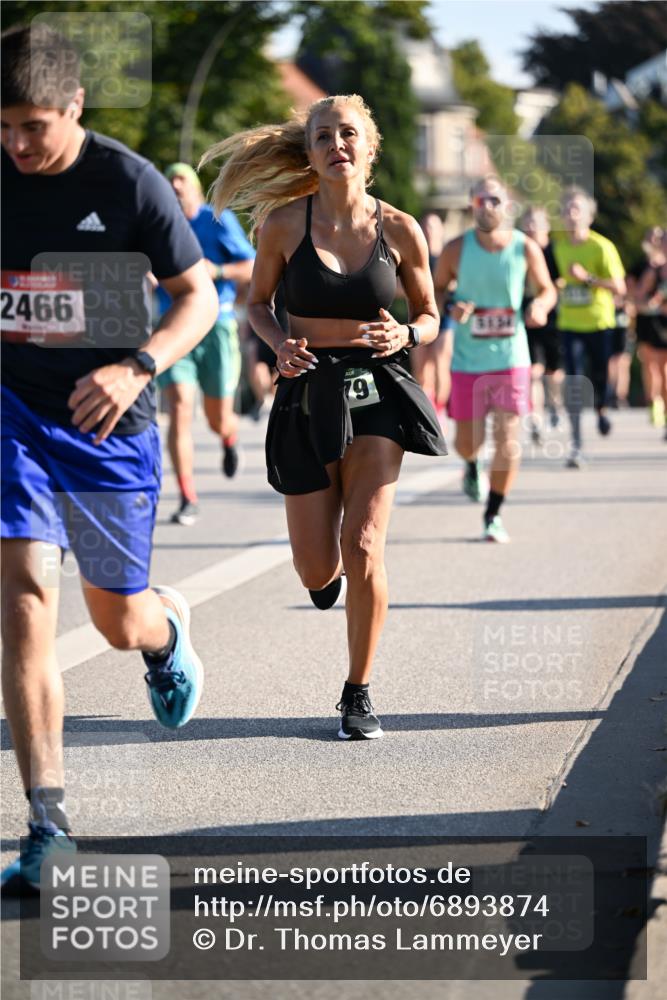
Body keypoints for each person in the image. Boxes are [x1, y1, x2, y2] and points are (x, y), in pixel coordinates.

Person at [1, 24, 218, 892]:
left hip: (107, 424)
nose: (14, 143)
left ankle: (163, 633)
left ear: (74, 108)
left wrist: (137, 368)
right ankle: (46, 822)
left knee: (115, 619)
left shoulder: (126, 183)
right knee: (22, 604)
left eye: (32, 125)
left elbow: (195, 299)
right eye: (1, 126)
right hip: (13, 411)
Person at [200, 94, 447, 740]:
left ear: (369, 147)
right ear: (308, 152)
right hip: (307, 389)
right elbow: (256, 303)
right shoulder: (281, 225)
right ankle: (325, 576)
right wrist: (278, 343)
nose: (335, 145)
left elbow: (428, 311)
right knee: (317, 567)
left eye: (346, 135)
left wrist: (409, 338)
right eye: (322, 137)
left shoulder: (400, 229)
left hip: (377, 390)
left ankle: (357, 692)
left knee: (363, 543)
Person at [435, 177, 556, 543]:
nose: (487, 206)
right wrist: (452, 307)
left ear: (507, 206)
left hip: (511, 357)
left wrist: (539, 305)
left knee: (507, 440)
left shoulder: (524, 248)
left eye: (494, 199)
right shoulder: (456, 249)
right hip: (468, 360)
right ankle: (471, 465)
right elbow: (436, 289)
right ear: (472, 205)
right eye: (480, 199)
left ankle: (494, 513)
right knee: (466, 443)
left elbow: (547, 289)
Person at [157, 162, 255, 526]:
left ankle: (228, 436)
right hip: (174, 326)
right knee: (180, 407)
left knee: (217, 418)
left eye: (183, 179)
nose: (176, 186)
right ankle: (186, 495)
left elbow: (251, 265)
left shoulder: (218, 220)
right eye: (170, 181)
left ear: (196, 190)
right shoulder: (158, 224)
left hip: (216, 325)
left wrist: (216, 271)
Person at [552, 187, 626, 468]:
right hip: (569, 324)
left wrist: (589, 279)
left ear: (588, 216)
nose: (571, 214)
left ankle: (602, 409)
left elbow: (618, 287)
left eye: (576, 209)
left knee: (599, 377)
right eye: (566, 209)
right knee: (573, 380)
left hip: (599, 323)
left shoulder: (601, 247)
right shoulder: (557, 247)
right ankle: (576, 442)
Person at [517, 206, 563, 443]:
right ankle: (535, 418)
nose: (532, 227)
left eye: (536, 222)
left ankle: (554, 404)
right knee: (533, 370)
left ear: (546, 226)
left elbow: (564, 279)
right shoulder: (519, 250)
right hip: (526, 315)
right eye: (528, 222)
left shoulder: (555, 251)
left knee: (553, 371)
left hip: (555, 316)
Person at [411, 212, 452, 426]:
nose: (429, 231)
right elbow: (401, 287)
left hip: (444, 318)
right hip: (419, 316)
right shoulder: (415, 255)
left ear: (441, 231)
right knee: (420, 367)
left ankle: (440, 411)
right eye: (425, 226)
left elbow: (455, 286)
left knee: (439, 363)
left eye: (434, 227)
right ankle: (426, 410)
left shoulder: (448, 255)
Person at [633, 226, 667, 430]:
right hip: (651, 324)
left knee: (664, 369)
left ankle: (663, 406)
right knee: (651, 366)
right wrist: (651, 303)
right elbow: (639, 296)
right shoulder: (652, 270)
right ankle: (654, 402)